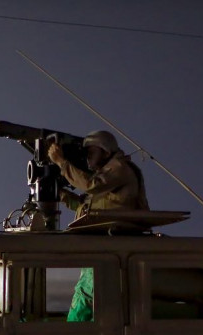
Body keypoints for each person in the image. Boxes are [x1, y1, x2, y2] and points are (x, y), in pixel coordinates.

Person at [47, 130, 149, 321]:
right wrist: (59, 194)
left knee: (88, 298)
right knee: (85, 296)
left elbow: (91, 185)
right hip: (102, 244)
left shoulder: (119, 168)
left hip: (115, 243)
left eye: (91, 152)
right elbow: (86, 206)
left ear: (105, 150)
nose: (88, 158)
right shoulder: (107, 176)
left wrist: (61, 162)